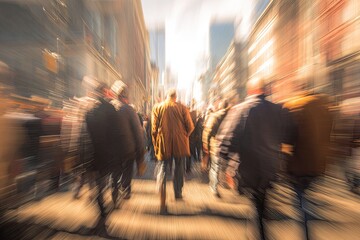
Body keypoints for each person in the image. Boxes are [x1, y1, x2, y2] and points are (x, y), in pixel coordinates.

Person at [221, 78, 287, 240]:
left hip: (248, 166)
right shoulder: (277, 109)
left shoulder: (241, 110)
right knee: (260, 202)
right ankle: (259, 232)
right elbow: (288, 134)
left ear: (251, 91)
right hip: (270, 166)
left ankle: (259, 234)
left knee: (257, 204)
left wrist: (226, 162)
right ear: (265, 90)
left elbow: (228, 139)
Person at [283, 91, 333, 240]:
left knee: (300, 201)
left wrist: (284, 159)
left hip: (299, 164)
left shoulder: (297, 106)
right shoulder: (325, 109)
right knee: (304, 197)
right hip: (318, 163)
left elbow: (289, 138)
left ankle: (305, 235)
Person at [151, 89, 194, 214]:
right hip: (180, 144)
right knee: (179, 167)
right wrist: (185, 135)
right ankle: (178, 192)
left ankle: (162, 194)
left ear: (166, 97)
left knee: (163, 168)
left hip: (164, 143)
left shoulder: (158, 107)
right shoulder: (183, 108)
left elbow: (153, 129)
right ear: (176, 97)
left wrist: (155, 144)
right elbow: (190, 127)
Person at [85, 82, 118, 219]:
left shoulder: (89, 110)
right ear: (105, 92)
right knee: (106, 178)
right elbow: (116, 131)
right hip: (107, 151)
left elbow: (86, 131)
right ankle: (102, 201)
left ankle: (98, 199)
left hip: (93, 150)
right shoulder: (110, 108)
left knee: (98, 178)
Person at [110, 81, 146, 204]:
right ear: (125, 95)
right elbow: (138, 132)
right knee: (127, 171)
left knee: (114, 171)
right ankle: (125, 190)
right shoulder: (129, 110)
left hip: (112, 149)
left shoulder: (109, 108)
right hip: (127, 149)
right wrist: (140, 154)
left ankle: (114, 189)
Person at [202, 99, 230, 197]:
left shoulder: (214, 116)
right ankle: (222, 183)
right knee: (222, 165)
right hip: (228, 146)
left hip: (216, 145)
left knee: (215, 166)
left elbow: (208, 131)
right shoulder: (231, 116)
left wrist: (206, 144)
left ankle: (214, 187)